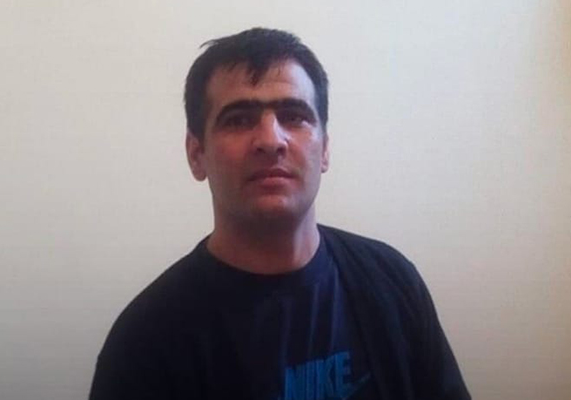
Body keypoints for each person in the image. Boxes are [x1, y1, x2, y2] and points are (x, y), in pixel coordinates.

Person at [89, 28, 470, 400]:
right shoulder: (145, 341)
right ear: (196, 154)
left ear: (324, 149)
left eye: (294, 116)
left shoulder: (392, 282)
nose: (271, 140)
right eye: (239, 119)